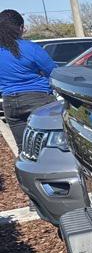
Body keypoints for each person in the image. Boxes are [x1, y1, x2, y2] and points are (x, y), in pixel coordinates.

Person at [0, 9, 57, 151]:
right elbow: (54, 72)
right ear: (20, 28)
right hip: (39, 100)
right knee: (49, 148)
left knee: (24, 149)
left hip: (10, 103)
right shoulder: (30, 48)